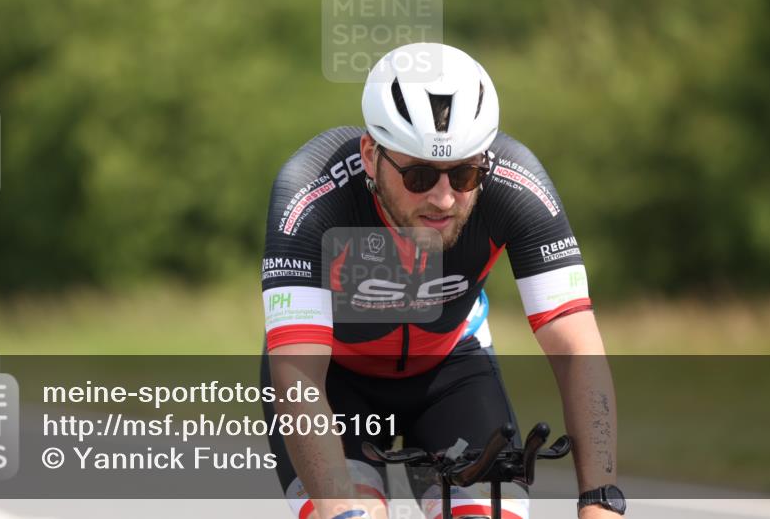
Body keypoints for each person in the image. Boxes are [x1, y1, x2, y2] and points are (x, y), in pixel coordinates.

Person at [259, 43, 624, 519]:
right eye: (420, 176)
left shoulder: (516, 184)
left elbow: (576, 346)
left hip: (452, 371)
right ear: (371, 156)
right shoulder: (311, 194)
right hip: (333, 382)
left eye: (465, 173)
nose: (445, 198)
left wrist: (600, 502)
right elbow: (298, 373)